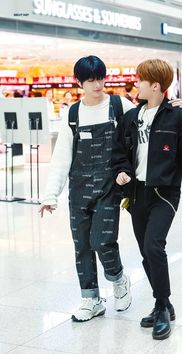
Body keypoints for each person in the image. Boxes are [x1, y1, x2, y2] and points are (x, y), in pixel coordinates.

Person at [112, 58, 182, 340]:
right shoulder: (131, 117)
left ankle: (162, 307)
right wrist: (121, 171)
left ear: (155, 85)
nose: (136, 84)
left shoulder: (178, 117)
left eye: (140, 80)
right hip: (136, 194)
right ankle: (162, 302)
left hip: (164, 193)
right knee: (145, 252)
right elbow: (120, 152)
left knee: (154, 247)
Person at [39, 55, 134, 323]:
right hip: (79, 189)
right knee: (81, 246)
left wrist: (169, 109)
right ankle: (91, 300)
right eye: (90, 79)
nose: (97, 84)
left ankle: (118, 278)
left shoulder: (119, 106)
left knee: (101, 241)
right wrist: (50, 194)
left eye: (100, 78)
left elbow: (145, 125)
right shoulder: (72, 113)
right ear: (79, 82)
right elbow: (61, 157)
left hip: (109, 187)